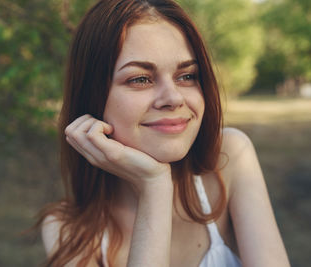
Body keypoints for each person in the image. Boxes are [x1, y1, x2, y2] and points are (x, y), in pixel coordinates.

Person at [39, 0, 290, 266]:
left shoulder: (229, 157)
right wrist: (154, 186)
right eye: (140, 79)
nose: (173, 98)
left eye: (187, 76)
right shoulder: (68, 230)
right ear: (92, 96)